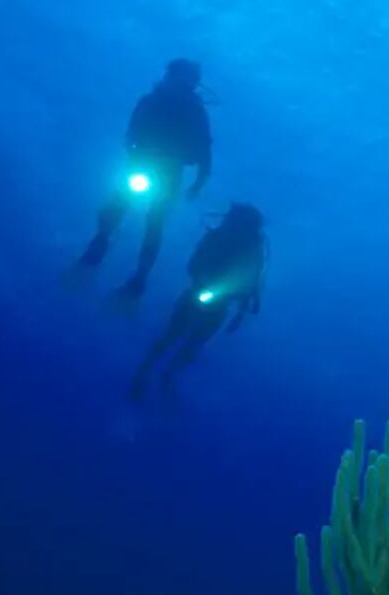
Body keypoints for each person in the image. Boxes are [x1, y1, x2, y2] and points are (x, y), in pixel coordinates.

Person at [70, 58, 213, 306]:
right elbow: (132, 131)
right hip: (146, 163)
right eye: (180, 77)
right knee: (121, 207)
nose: (183, 83)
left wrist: (199, 181)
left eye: (187, 79)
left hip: (166, 168)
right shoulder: (152, 101)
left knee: (151, 221)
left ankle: (138, 276)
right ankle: (101, 242)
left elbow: (204, 148)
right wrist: (198, 181)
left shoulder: (194, 110)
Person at [128, 203, 267, 403]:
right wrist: (204, 283)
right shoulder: (219, 238)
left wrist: (240, 310)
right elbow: (195, 263)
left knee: (190, 342)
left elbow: (252, 282)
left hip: (217, 302)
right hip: (199, 296)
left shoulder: (252, 250)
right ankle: (146, 373)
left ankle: (166, 375)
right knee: (174, 336)